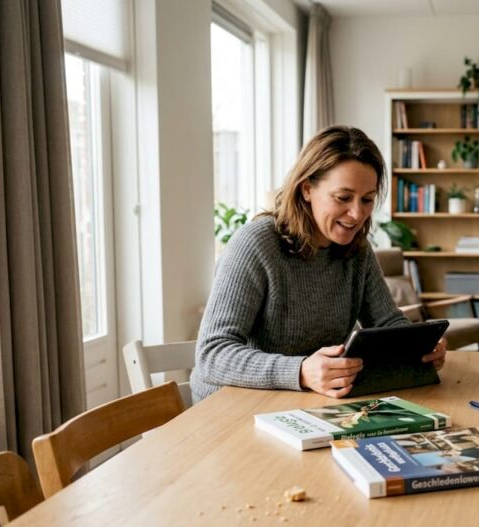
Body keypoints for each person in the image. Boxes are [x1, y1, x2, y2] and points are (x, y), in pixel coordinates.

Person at [191, 126, 446, 402]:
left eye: (367, 199)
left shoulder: (357, 250)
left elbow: (386, 322)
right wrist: (300, 371)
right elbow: (212, 354)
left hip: (305, 403)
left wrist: (419, 346)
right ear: (307, 189)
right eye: (343, 198)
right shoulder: (255, 244)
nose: (357, 213)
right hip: (231, 407)